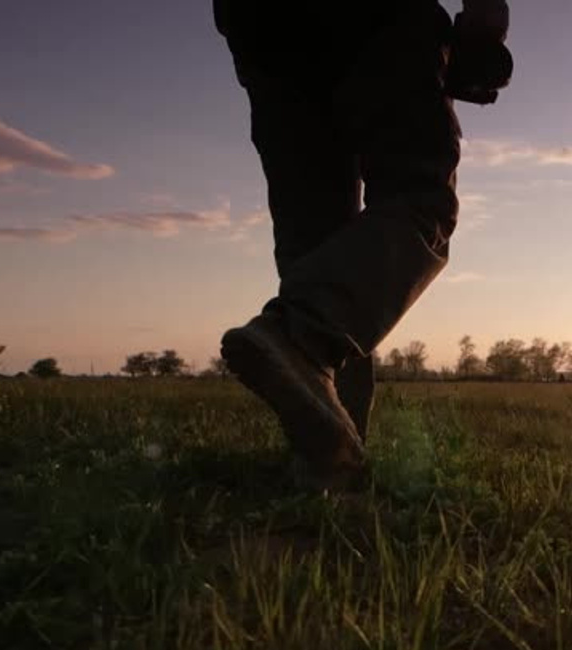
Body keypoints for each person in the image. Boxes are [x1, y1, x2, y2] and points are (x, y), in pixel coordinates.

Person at [214, 0, 512, 485]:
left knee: (321, 249)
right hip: (381, 21)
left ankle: (331, 457)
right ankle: (303, 335)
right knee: (421, 202)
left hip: (263, 35)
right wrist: (484, 28)